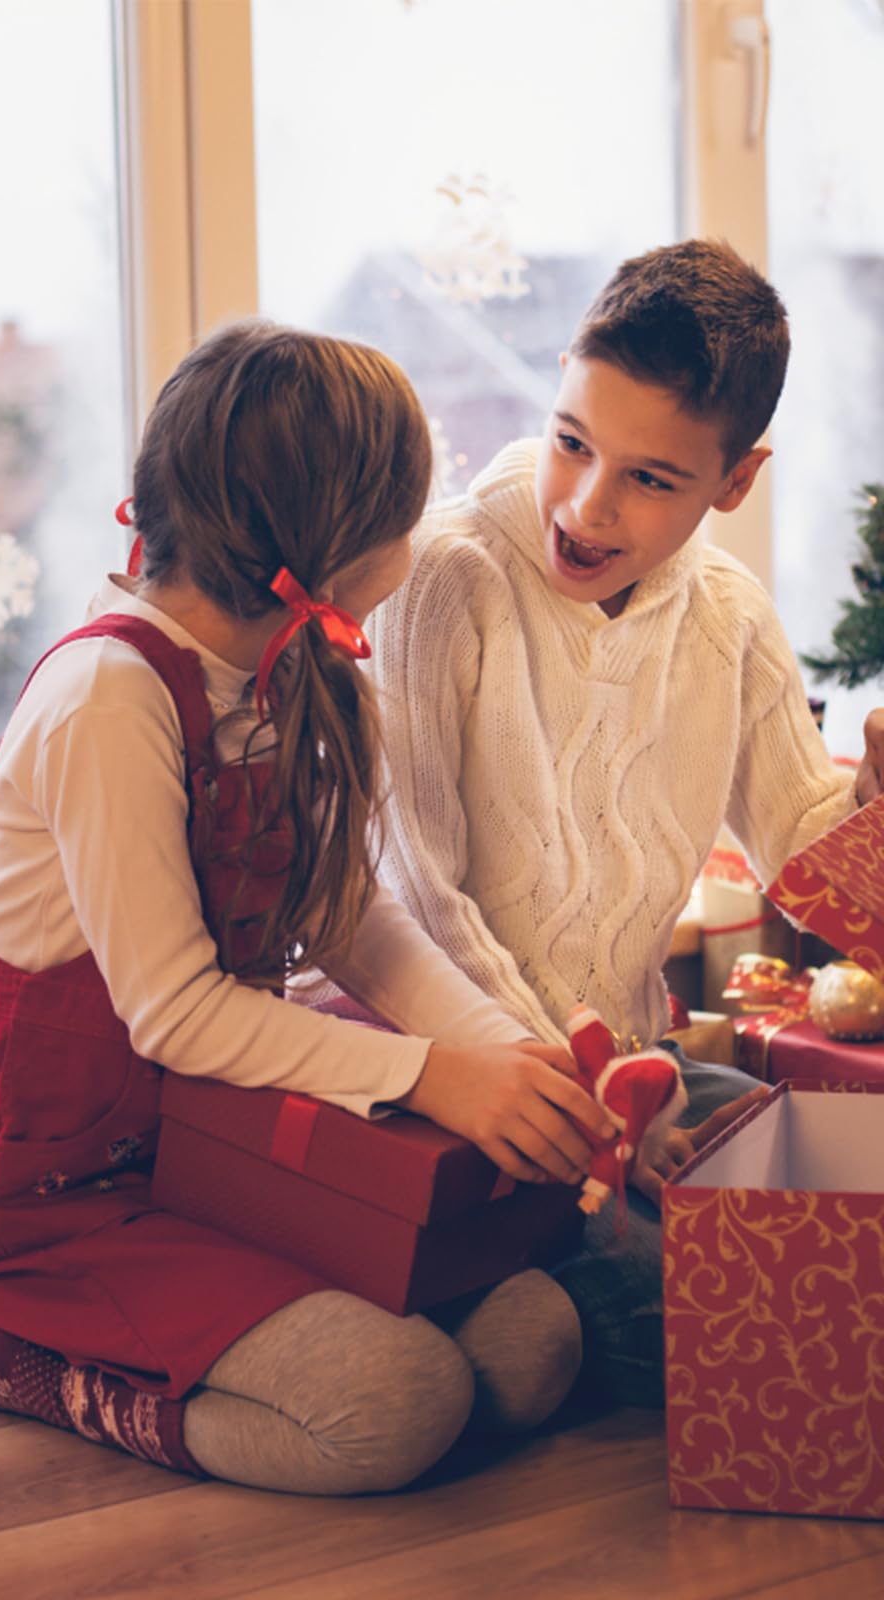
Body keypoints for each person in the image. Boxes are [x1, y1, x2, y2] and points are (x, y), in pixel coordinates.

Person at [0, 321, 596, 1495]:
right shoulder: (108, 699)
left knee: (528, 1343)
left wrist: (505, 1058)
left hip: (218, 1147)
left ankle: (247, 1342)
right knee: (398, 1406)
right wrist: (430, 1077)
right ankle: (33, 1357)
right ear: (334, 545)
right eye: (406, 503)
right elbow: (175, 1015)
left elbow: (350, 922)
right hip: (79, 1200)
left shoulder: (283, 667)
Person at [368, 239, 884, 1404]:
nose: (588, 506)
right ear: (556, 379)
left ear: (734, 482)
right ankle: (544, 1306)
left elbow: (796, 842)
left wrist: (865, 805)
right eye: (570, 442)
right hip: (471, 1087)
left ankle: (565, 1300)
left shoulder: (728, 615)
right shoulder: (443, 577)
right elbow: (417, 894)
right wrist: (592, 1107)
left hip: (648, 1084)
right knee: (763, 1302)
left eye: (652, 479)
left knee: (822, 1215)